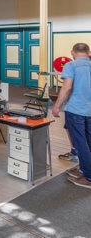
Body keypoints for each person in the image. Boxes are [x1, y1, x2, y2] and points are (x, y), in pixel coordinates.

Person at [52, 43, 91, 188]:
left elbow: (67, 87)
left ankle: (88, 177)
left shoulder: (71, 65)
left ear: (72, 52)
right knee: (88, 142)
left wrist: (56, 106)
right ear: (88, 52)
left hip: (75, 110)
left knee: (80, 143)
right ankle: (84, 170)